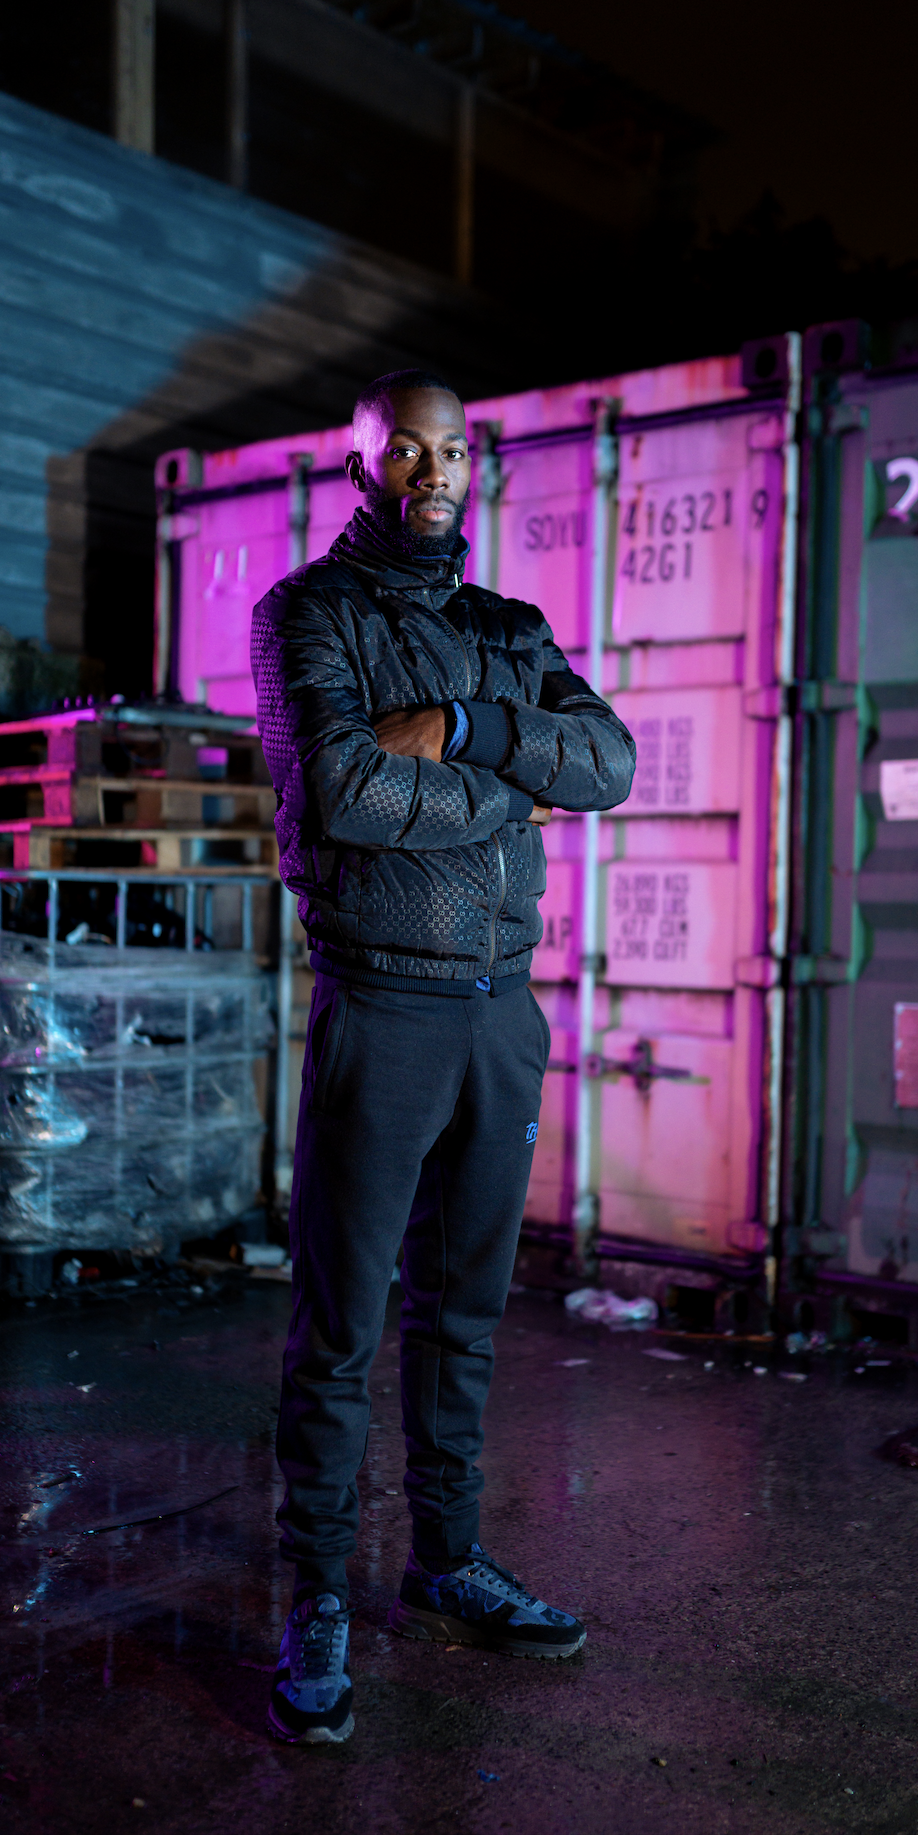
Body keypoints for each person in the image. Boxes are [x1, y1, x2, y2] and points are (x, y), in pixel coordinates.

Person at [251, 368, 635, 1745]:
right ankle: (316, 1598)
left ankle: (448, 1560)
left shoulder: (508, 628)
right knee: (344, 1325)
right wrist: (509, 790)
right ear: (361, 467)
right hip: (386, 1007)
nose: (431, 469)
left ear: (474, 464)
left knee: (464, 1314)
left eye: (451, 448)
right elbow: (346, 793)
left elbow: (610, 761)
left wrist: (467, 730)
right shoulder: (308, 614)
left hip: (500, 1014)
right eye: (403, 449)